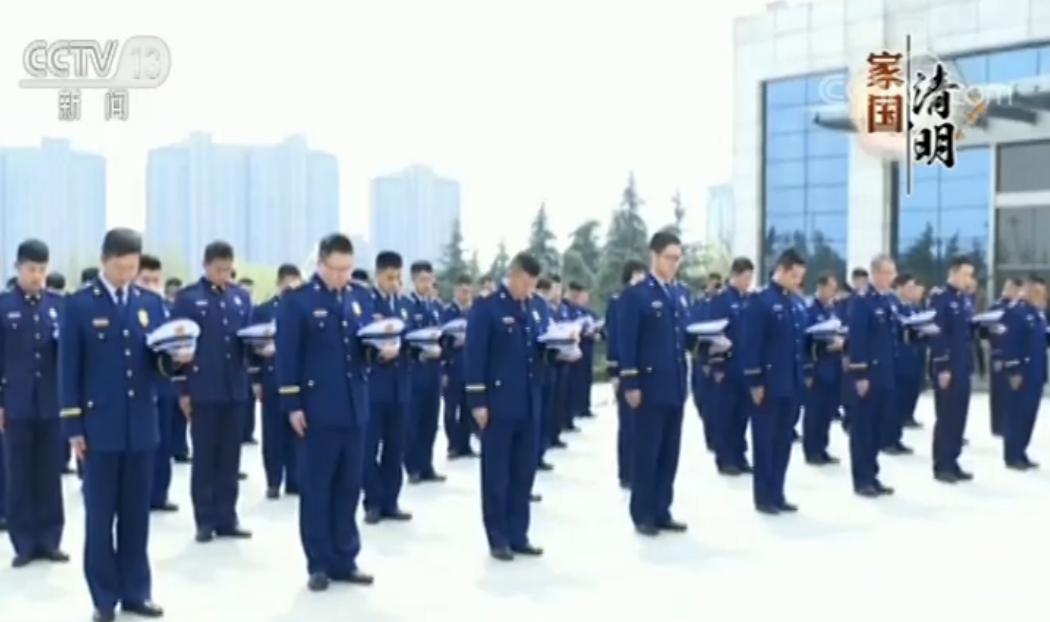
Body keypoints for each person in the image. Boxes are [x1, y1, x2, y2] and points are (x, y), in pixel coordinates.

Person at [60, 228, 184, 622]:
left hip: (141, 425)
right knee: (100, 518)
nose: (126, 274)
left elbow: (158, 363)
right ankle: (103, 597)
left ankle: (136, 591)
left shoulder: (149, 303)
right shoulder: (79, 304)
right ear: (104, 261)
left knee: (136, 516)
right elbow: (69, 370)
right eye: (120, 266)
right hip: (98, 428)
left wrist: (176, 360)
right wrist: (73, 426)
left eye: (133, 267)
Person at [276, 234, 376, 591]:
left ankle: (345, 558)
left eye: (347, 268)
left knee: (349, 487)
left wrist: (381, 350)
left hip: (354, 407)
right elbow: (287, 356)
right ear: (320, 263)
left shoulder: (360, 297)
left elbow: (363, 348)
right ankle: (318, 562)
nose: (342, 276)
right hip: (316, 410)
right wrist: (292, 405)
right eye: (336, 268)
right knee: (317, 488)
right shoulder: (298, 301)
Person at [172, 241, 256, 543]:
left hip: (234, 389)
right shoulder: (188, 299)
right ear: (206, 265)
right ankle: (205, 519)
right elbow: (178, 347)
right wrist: (182, 389)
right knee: (205, 457)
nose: (223, 275)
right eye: (218, 269)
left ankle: (227, 517)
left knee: (230, 458)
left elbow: (248, 340)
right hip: (203, 389)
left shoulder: (240, 298)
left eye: (228, 270)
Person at [465, 251, 546, 559]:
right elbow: (475, 356)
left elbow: (539, 349)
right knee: (497, 474)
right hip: (498, 403)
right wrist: (477, 400)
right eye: (526, 282)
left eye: (534, 283)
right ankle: (498, 536)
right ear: (512, 275)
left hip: (528, 400)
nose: (530, 289)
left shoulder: (535, 307)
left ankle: (519, 533)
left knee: (523, 473)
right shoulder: (488, 307)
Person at [0, 239, 68, 566]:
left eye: (42, 269)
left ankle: (50, 539)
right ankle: (24, 543)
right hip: (15, 403)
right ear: (18, 268)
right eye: (31, 269)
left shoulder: (58, 305)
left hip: (51, 402)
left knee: (49, 473)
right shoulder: (3, 306)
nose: (37, 275)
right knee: (19, 474)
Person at [617, 231, 690, 535]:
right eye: (670, 257)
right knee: (646, 452)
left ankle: (662, 508)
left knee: (669, 453)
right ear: (654, 256)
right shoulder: (637, 295)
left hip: (674, 384)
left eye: (678, 258)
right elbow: (627, 342)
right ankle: (643, 513)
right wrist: (630, 382)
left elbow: (681, 337)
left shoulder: (678, 294)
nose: (675, 264)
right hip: (648, 386)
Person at [740, 248, 807, 514]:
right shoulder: (761, 301)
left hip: (791, 382)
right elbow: (751, 344)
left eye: (800, 277)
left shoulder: (795, 303)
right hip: (768, 384)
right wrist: (754, 381)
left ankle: (777, 492)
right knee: (765, 442)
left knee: (783, 442)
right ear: (781, 270)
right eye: (794, 276)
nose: (797, 281)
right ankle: (763, 496)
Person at [363, 251, 412, 524]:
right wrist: (378, 353)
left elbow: (410, 338)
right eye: (389, 277)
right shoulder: (366, 302)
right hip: (374, 386)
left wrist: (405, 349)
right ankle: (373, 501)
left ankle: (391, 500)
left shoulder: (404, 305)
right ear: (378, 274)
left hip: (399, 386)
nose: (394, 283)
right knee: (369, 447)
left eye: (397, 277)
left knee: (396, 447)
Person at [844, 254, 898, 498]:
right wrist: (860, 374)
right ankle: (862, 479)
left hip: (885, 373)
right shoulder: (861, 301)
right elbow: (857, 339)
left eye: (893, 272)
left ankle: (873, 475)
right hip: (868, 375)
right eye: (887, 273)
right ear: (876, 273)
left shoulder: (888, 300)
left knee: (877, 428)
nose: (891, 277)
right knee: (863, 429)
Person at [134, 255, 179, 514]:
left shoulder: (165, 307)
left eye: (155, 280)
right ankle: (143, 493)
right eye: (145, 280)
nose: (151, 285)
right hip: (140, 385)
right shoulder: (133, 307)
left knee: (164, 441)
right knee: (143, 444)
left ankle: (160, 493)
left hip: (164, 384)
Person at [929, 255, 979, 483]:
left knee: (959, 416)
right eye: (965, 274)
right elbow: (938, 335)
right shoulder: (941, 298)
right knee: (947, 417)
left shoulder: (964, 299)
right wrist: (942, 366)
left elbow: (967, 331)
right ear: (953, 271)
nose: (968, 279)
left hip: (962, 364)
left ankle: (953, 460)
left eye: (971, 275)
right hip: (948, 366)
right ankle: (942, 465)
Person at [254, 264, 302, 499]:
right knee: (273, 433)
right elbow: (250, 346)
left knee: (297, 431)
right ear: (279, 284)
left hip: (297, 380)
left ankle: (295, 479)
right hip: (271, 377)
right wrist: (255, 379)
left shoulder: (302, 308)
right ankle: (273, 480)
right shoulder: (263, 310)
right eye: (287, 284)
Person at [705, 257, 755, 476]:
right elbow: (713, 333)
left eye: (750, 278)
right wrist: (716, 366)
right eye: (745, 278)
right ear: (735, 275)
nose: (748, 282)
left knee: (742, 416)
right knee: (725, 415)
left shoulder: (749, 300)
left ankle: (739, 455)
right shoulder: (721, 300)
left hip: (744, 367)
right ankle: (725, 458)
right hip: (726, 367)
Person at [404, 260, 446, 484]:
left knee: (430, 422)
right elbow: (405, 338)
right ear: (413, 280)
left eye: (430, 280)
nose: (427, 284)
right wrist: (421, 353)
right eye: (422, 280)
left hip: (433, 372)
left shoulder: (436, 306)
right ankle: (412, 467)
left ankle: (426, 464)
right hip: (415, 371)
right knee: (413, 422)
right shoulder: (408, 306)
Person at [999, 274, 1047, 470]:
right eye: (1037, 292)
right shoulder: (1015, 312)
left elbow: (1041, 338)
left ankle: (1021, 451)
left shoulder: (1037, 312)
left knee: (1028, 416)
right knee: (1016, 415)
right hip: (1022, 373)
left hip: (1036, 372)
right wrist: (1013, 370)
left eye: (1042, 293)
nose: (1040, 296)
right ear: (1027, 288)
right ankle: (1012, 455)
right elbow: (1009, 343)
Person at [607, 259, 647, 489]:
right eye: (636, 274)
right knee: (627, 425)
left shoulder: (646, 299)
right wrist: (614, 371)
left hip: (645, 373)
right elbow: (615, 338)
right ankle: (626, 473)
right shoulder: (620, 301)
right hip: (625, 370)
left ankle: (639, 471)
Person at [801, 272, 843, 466]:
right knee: (814, 412)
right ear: (821, 287)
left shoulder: (831, 309)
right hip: (817, 367)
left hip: (831, 366)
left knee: (827, 411)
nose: (833, 292)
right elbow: (804, 342)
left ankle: (822, 447)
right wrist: (808, 370)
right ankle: (812, 450)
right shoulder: (809, 310)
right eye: (831, 288)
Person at [441, 275, 476, 459]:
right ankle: (453, 444)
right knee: (450, 409)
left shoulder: (473, 312)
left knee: (467, 408)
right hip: (452, 366)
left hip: (468, 367)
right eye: (463, 291)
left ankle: (465, 444)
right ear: (456, 290)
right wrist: (443, 369)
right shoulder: (447, 312)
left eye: (469, 291)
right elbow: (439, 340)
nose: (466, 295)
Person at [988, 277, 1022, 438]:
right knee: (998, 392)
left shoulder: (1018, 308)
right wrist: (997, 356)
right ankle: (998, 426)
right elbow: (993, 334)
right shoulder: (997, 307)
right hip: (999, 356)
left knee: (1011, 392)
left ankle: (1009, 422)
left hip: (1014, 356)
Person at [162, 278, 190, 463]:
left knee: (180, 416)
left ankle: (180, 448)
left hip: (179, 369)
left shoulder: (180, 312)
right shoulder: (160, 308)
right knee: (168, 417)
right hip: (164, 371)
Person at [236, 277, 259, 446]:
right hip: (240, 361)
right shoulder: (237, 309)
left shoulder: (255, 310)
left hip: (251, 363)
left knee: (249, 401)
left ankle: (248, 432)